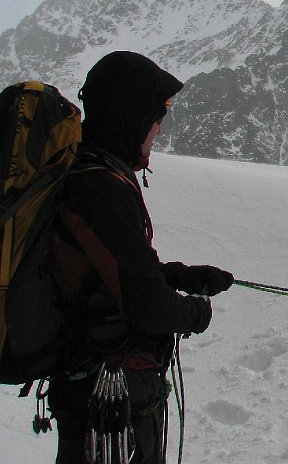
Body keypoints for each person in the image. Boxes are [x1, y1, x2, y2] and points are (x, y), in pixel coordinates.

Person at [47, 51, 233, 464]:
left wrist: (181, 276)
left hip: (103, 389)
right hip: (110, 394)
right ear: (128, 116)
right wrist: (193, 314)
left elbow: (113, 274)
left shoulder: (94, 174)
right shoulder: (98, 186)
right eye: (156, 116)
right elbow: (144, 302)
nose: (158, 129)